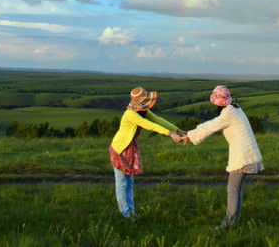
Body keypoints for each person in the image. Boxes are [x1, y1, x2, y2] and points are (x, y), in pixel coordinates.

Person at [181, 85, 263, 230]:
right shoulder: (236, 108)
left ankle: (230, 225)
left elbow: (210, 126)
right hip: (248, 155)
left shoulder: (228, 113)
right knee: (236, 189)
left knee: (232, 189)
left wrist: (190, 134)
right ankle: (233, 222)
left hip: (243, 157)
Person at [109, 87, 185, 221]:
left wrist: (178, 130)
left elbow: (158, 120)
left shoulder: (142, 110)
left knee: (129, 182)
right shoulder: (130, 114)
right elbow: (149, 125)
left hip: (129, 148)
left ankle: (131, 213)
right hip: (120, 149)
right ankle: (125, 215)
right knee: (122, 183)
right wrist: (170, 134)